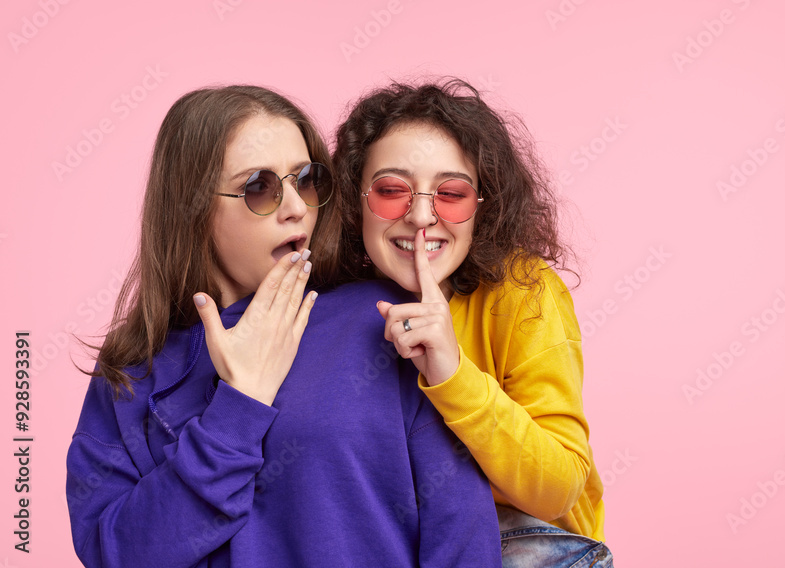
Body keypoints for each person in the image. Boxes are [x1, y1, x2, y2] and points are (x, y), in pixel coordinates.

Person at [65, 85, 501, 568]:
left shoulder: (382, 320)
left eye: (306, 180)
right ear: (192, 207)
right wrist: (240, 405)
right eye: (260, 188)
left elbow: (463, 536)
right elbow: (117, 556)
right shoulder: (130, 375)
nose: (296, 207)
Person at [330, 78, 613, 567]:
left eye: (451, 194)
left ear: (485, 205)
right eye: (392, 189)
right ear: (357, 202)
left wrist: (452, 373)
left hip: (526, 547)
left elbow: (560, 487)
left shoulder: (522, 291)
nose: (421, 216)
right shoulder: (339, 306)